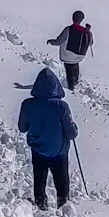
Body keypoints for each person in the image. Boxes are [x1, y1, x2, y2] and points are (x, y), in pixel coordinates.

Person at [18, 64, 78, 209]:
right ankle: (63, 205)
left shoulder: (28, 104)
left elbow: (22, 128)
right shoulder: (61, 106)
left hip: (38, 150)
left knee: (39, 179)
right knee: (61, 180)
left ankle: (41, 204)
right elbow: (71, 133)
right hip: (59, 152)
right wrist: (75, 129)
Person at [48, 9, 93, 91]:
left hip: (67, 56)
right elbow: (91, 43)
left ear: (73, 18)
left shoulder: (68, 29)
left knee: (69, 71)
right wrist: (89, 32)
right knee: (75, 66)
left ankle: (71, 88)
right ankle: (75, 81)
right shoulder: (85, 31)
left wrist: (51, 42)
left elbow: (59, 41)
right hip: (79, 56)